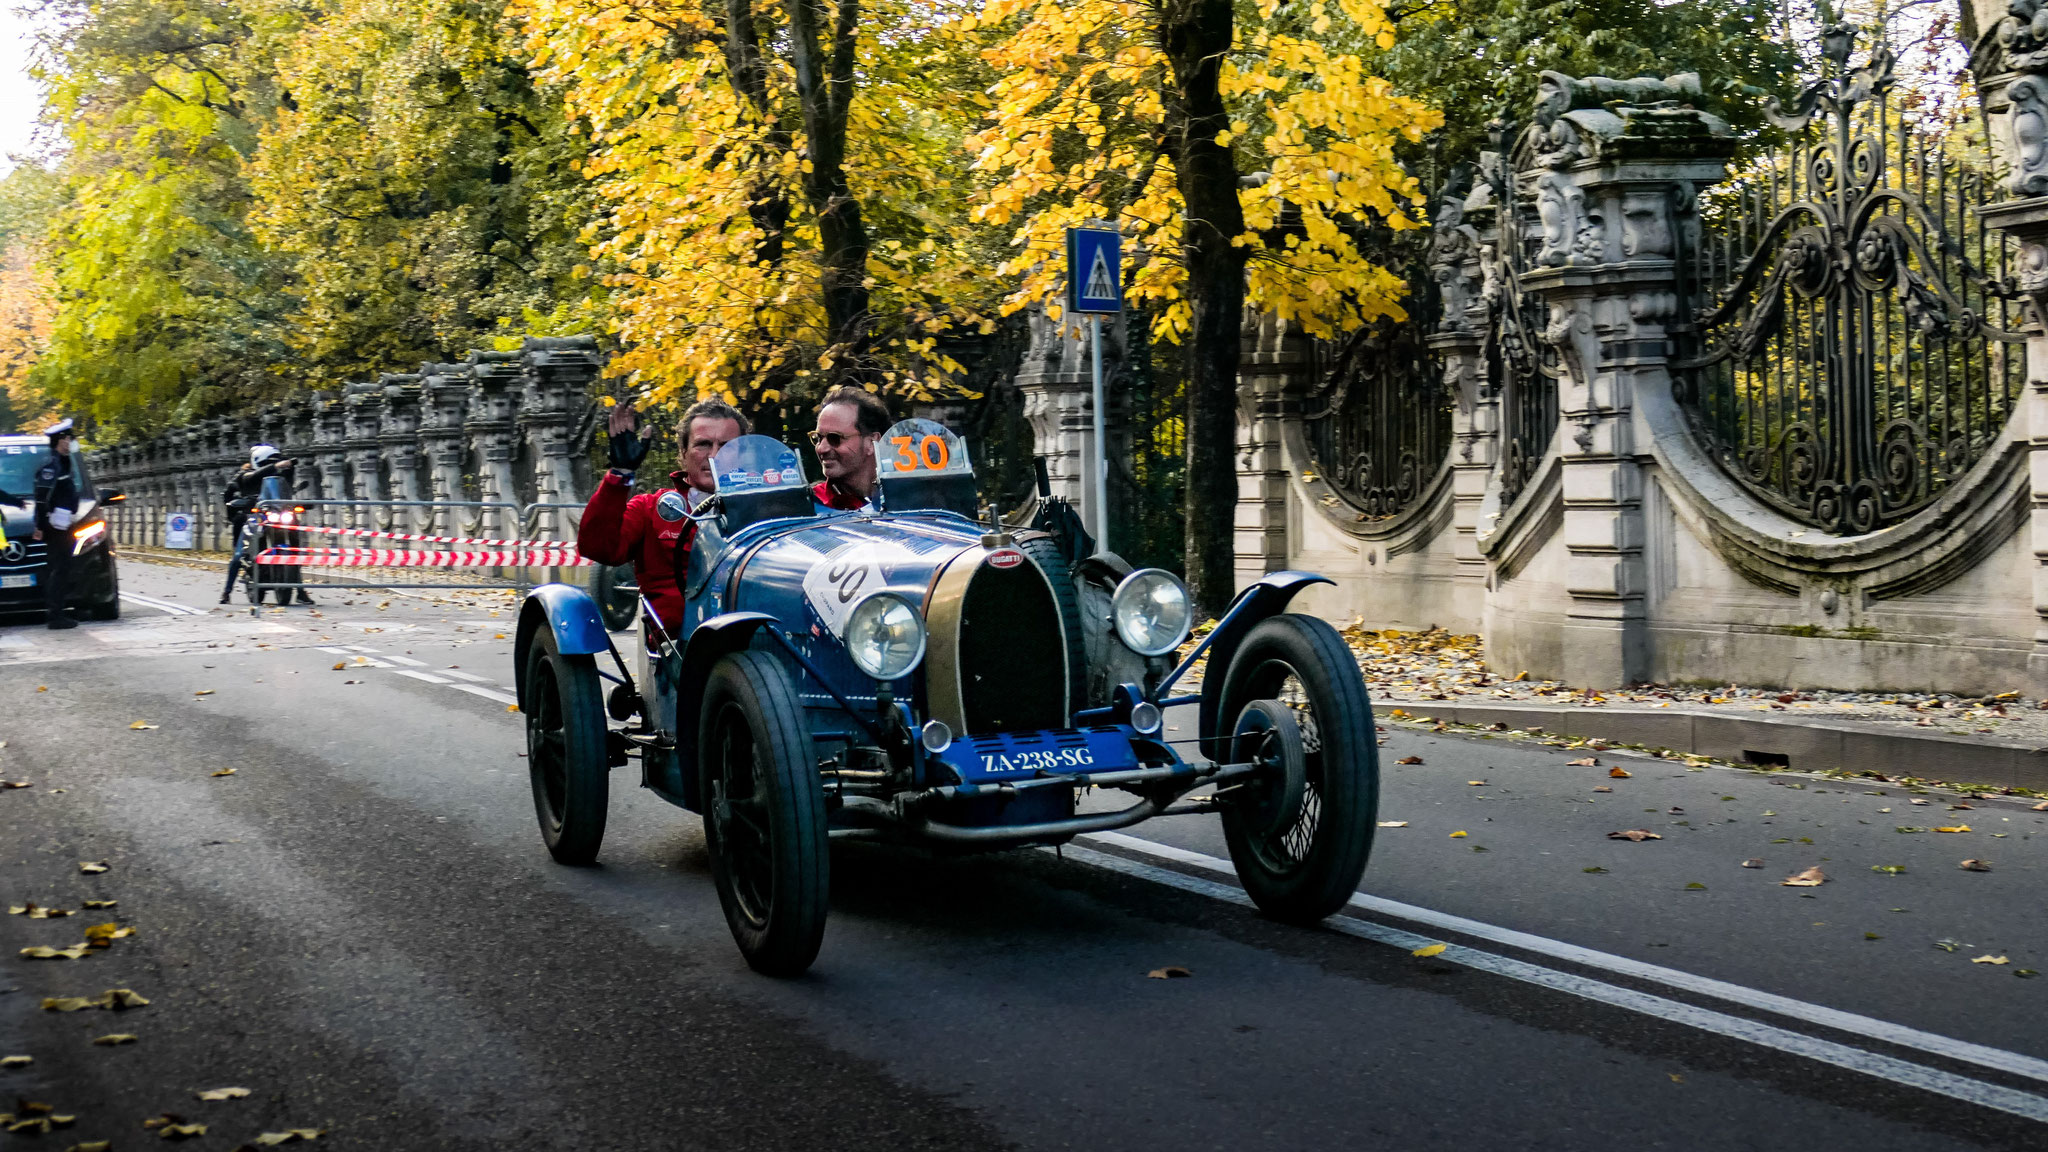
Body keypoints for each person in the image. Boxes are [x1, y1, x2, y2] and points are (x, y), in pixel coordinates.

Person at [578, 397, 749, 635]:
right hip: (679, 648)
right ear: (683, 452)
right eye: (703, 444)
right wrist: (620, 475)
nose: (714, 456)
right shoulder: (651, 509)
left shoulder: (771, 510)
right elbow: (598, 548)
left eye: (727, 446)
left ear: (743, 454)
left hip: (759, 636)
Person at [220, 445, 315, 606]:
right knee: (238, 555)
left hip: (277, 513)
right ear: (257, 462)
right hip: (253, 515)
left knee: (293, 550)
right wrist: (274, 466)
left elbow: (286, 489)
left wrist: (291, 470)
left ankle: (300, 591)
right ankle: (226, 591)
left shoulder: (278, 476)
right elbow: (248, 479)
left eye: (276, 461)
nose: (275, 464)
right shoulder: (244, 474)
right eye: (269, 462)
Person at [809, 385, 892, 511]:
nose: (821, 448)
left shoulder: (906, 502)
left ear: (872, 442)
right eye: (818, 438)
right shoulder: (808, 505)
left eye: (835, 438)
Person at [32, 419, 80, 629]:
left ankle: (57, 612)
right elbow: (42, 498)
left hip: (63, 524)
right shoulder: (52, 466)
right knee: (57, 570)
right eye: (69, 438)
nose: (71, 442)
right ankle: (55, 615)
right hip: (55, 527)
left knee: (62, 568)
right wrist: (40, 526)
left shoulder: (63, 462)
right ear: (61, 440)